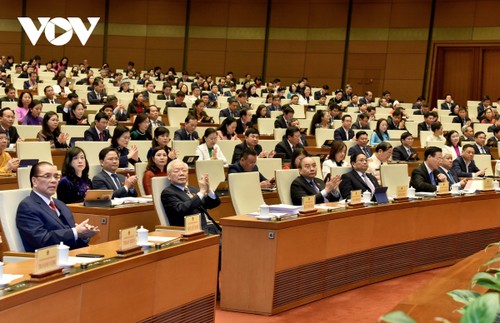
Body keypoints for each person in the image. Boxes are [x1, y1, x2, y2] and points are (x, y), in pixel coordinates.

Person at [16, 162, 99, 252]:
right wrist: (75, 232)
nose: (53, 180)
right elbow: (42, 240)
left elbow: (71, 233)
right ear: (34, 181)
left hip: (72, 254)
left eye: (56, 176)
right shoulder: (27, 206)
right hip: (47, 259)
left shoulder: (60, 204)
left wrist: (84, 233)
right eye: (47, 176)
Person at [160, 159, 221, 234]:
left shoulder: (193, 189)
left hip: (211, 227)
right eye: (176, 171)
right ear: (169, 176)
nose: (181, 173)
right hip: (193, 232)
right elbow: (182, 209)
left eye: (184, 170)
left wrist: (208, 190)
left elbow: (213, 203)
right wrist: (201, 192)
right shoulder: (168, 193)